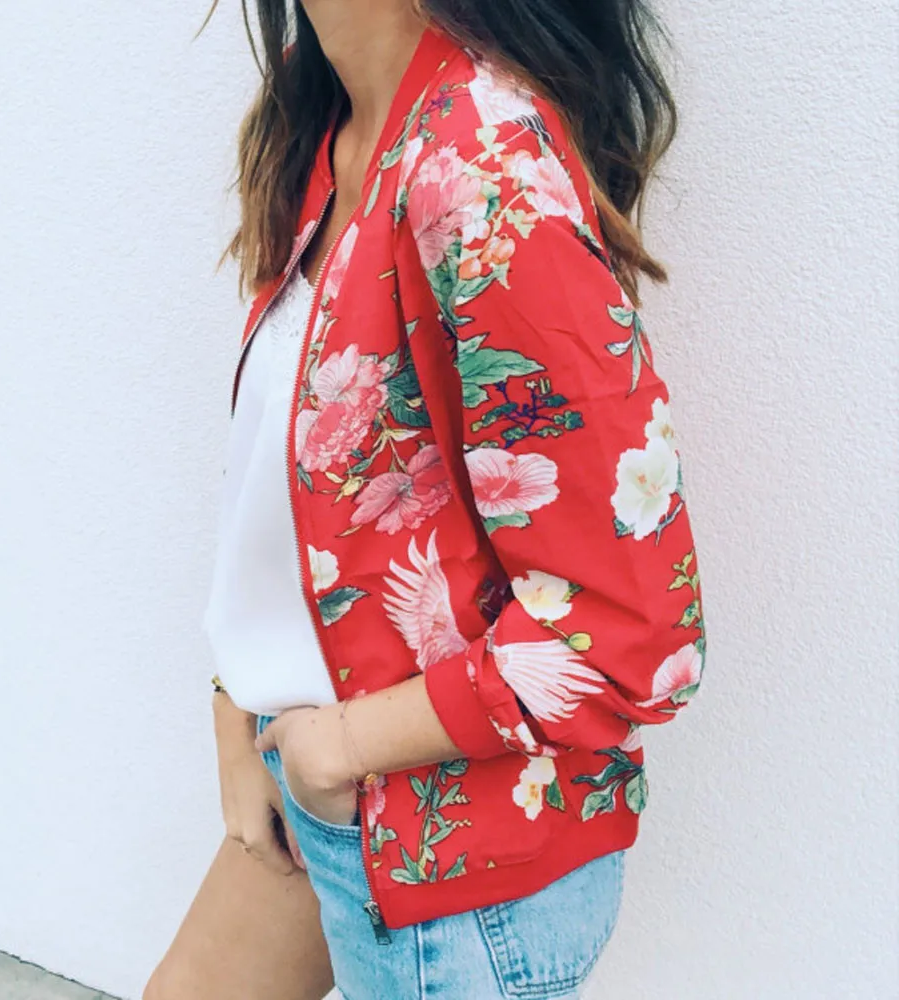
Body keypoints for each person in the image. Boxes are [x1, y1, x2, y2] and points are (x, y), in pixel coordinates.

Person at [145, 1, 706, 998]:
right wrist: (240, 700)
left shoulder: (481, 164)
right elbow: (290, 488)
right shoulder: (331, 124)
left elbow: (633, 634)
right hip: (327, 768)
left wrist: (338, 746)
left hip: (458, 864)